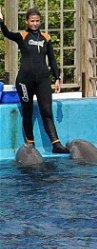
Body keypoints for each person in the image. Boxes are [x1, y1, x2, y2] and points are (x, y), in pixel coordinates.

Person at [1, 8, 67, 154]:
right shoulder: (22, 36)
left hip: (42, 80)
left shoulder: (46, 38)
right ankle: (30, 144)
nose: (35, 23)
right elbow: (6, 34)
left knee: (46, 111)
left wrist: (57, 78)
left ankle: (56, 144)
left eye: (37, 21)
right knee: (28, 110)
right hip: (24, 81)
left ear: (40, 21)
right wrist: (1, 22)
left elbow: (52, 60)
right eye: (32, 21)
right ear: (27, 22)